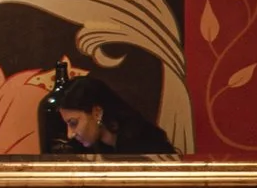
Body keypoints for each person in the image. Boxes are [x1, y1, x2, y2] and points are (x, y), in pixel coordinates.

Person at [38, 65, 170, 157]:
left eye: (73, 123)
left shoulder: (141, 146)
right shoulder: (95, 147)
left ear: (97, 112)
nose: (69, 135)